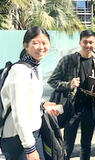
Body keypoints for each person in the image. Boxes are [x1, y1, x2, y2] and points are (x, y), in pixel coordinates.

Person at [0, 26, 59, 160]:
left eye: (44, 43)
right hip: (17, 138)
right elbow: (19, 112)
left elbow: (28, 99)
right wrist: (29, 148)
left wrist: (42, 104)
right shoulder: (19, 71)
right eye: (36, 43)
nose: (41, 47)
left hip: (33, 133)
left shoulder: (35, 67)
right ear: (26, 45)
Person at [47, 30, 95, 160]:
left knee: (86, 145)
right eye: (85, 42)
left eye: (91, 42)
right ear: (80, 42)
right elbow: (52, 81)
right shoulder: (68, 60)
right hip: (71, 109)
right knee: (68, 146)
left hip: (90, 109)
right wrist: (69, 84)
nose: (88, 45)